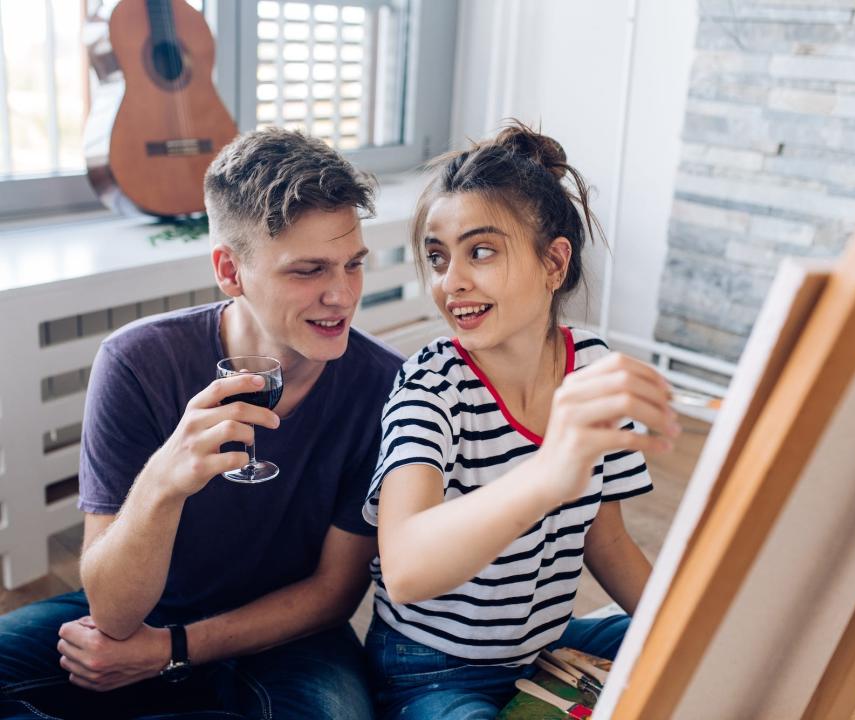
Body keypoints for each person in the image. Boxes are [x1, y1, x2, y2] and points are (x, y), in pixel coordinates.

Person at [0, 128, 402, 720]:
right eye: (308, 270)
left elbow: (333, 593)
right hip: (146, 611)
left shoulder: (383, 386)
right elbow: (112, 612)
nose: (342, 295)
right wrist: (165, 481)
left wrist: (170, 652)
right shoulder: (139, 362)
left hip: (286, 636)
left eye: (353, 264)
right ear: (230, 271)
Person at [362, 122, 681, 719]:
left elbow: (605, 539)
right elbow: (404, 569)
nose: (450, 280)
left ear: (554, 262)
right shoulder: (430, 387)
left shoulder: (591, 366)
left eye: (480, 251)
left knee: (705, 645)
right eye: (438, 256)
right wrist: (547, 476)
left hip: (539, 649)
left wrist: (682, 629)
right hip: (430, 670)